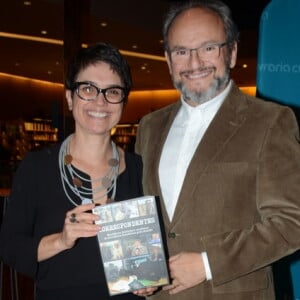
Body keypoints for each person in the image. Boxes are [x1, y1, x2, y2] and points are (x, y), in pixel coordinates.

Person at [135, 1, 300, 299]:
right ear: (169, 60)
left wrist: (208, 263)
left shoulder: (271, 121)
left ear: (232, 52)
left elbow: (292, 223)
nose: (195, 62)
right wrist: (142, 270)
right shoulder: (149, 126)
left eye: (209, 48)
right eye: (182, 51)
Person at [0, 43, 149, 299]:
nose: (100, 101)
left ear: (123, 101)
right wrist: (61, 240)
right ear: (70, 97)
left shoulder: (138, 168)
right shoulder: (37, 167)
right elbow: (10, 247)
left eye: (112, 91)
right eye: (88, 89)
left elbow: (145, 252)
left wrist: (148, 279)